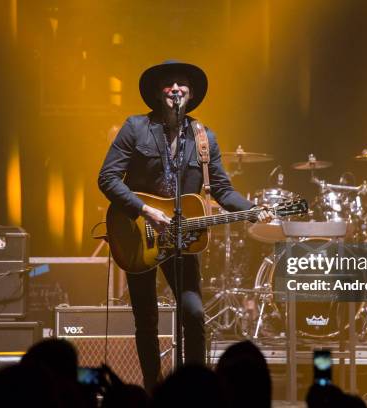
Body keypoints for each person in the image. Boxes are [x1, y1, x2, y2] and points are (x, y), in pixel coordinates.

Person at [98, 60, 271, 391]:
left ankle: (198, 389)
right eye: (169, 83)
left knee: (193, 314)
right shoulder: (135, 127)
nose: (176, 88)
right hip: (139, 234)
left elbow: (221, 189)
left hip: (182, 238)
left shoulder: (204, 138)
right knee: (145, 319)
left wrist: (252, 209)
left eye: (182, 85)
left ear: (190, 95)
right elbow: (107, 178)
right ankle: (152, 386)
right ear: (158, 92)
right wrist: (145, 210)